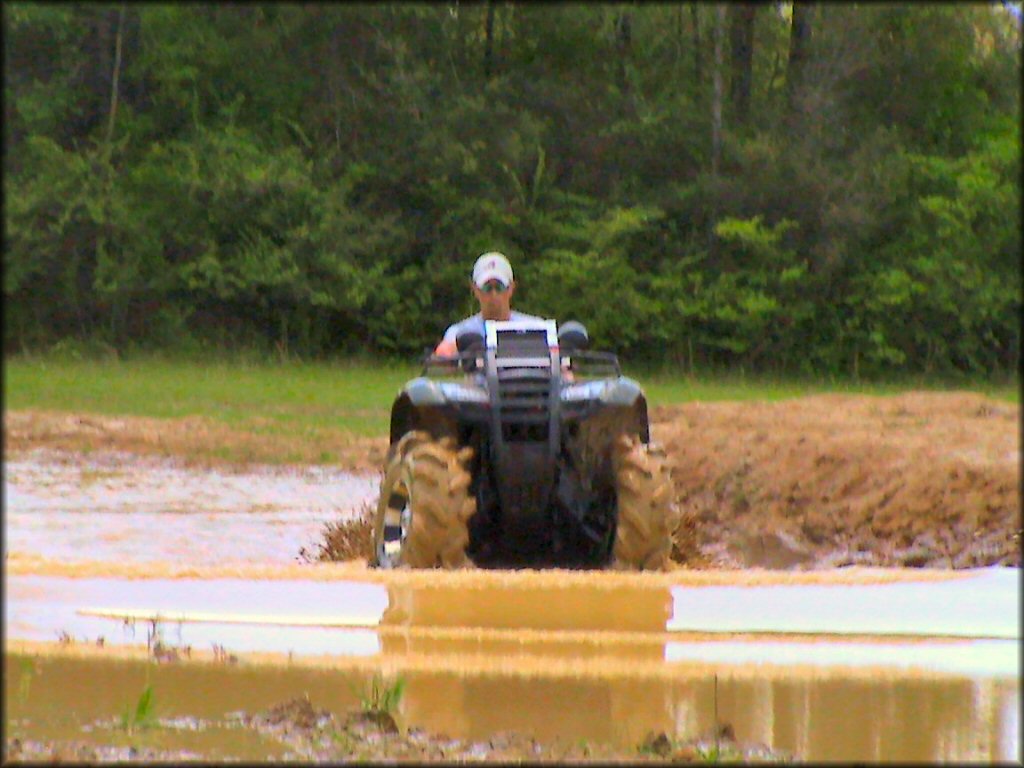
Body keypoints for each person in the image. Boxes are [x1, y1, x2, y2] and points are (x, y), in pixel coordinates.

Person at [434, 252, 543, 356]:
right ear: (475, 290)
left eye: (499, 287)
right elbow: (441, 361)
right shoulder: (458, 333)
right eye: (487, 287)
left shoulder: (536, 328)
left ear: (511, 288)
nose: (493, 294)